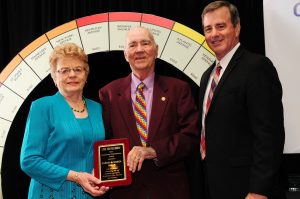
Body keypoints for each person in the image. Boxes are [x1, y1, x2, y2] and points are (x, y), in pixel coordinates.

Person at [98, 26, 199, 199]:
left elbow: (191, 137)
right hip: (125, 193)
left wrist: (152, 151)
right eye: (132, 45)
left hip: (169, 191)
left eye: (145, 43)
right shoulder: (108, 94)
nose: (139, 50)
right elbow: (105, 141)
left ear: (156, 50)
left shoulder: (179, 89)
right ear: (125, 54)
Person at [198, 1, 285, 199]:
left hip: (248, 189)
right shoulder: (207, 76)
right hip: (216, 185)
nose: (214, 34)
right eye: (208, 29)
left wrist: (259, 190)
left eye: (221, 26)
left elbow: (269, 135)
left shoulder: (257, 67)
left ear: (236, 28)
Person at [20, 43, 109, 198]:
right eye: (65, 70)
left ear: (86, 75)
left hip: (88, 194)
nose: (72, 75)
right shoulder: (42, 107)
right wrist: (76, 176)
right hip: (49, 194)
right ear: (55, 77)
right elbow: (29, 160)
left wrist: (101, 173)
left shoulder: (97, 108)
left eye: (78, 69)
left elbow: (98, 152)